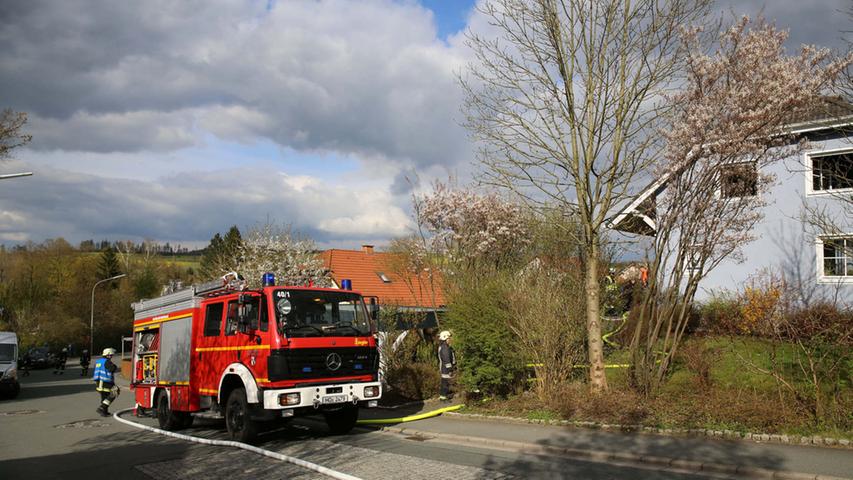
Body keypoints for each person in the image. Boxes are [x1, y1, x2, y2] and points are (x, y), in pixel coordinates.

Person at [93, 348, 120, 417]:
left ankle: (104, 412)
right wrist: (114, 366)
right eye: (111, 355)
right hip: (105, 382)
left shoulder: (98, 361)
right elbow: (112, 369)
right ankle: (102, 408)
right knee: (115, 391)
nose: (111, 356)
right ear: (107, 355)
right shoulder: (107, 362)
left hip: (99, 382)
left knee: (104, 397)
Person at [437, 330, 457, 402]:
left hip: (445, 368)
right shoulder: (445, 348)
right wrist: (450, 369)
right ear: (445, 338)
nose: (450, 340)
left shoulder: (445, 347)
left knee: (445, 383)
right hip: (445, 369)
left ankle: (443, 397)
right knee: (445, 383)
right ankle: (443, 398)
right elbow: (446, 359)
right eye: (449, 338)